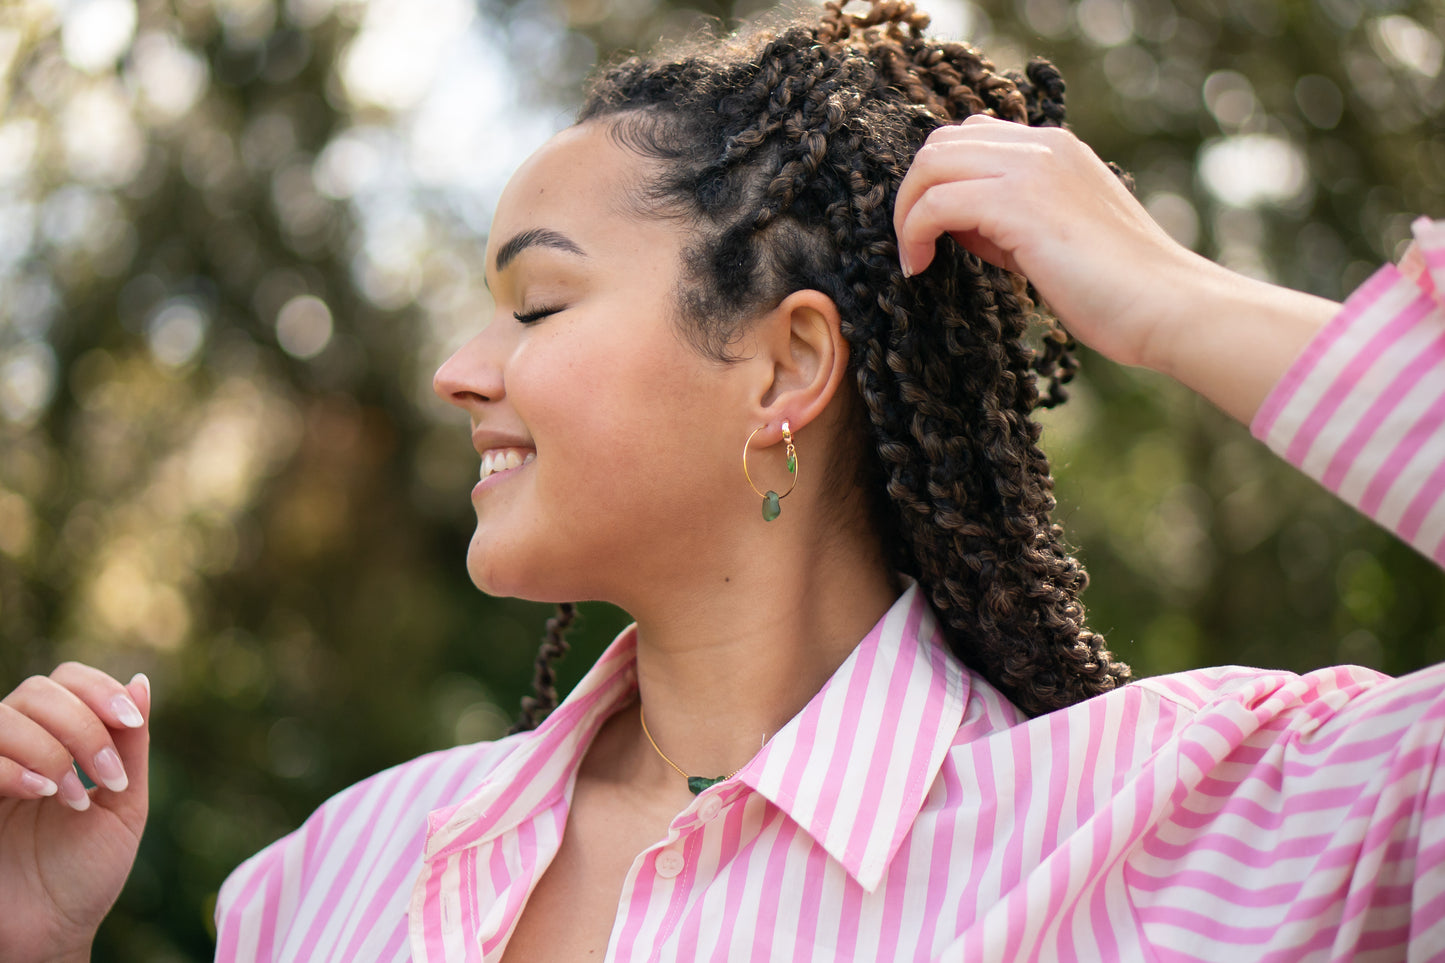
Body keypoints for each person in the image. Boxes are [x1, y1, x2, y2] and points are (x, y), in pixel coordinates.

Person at [2, 1, 1442, 959]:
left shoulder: (1173, 829)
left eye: (537, 304)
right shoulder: (337, 878)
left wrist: (1174, 302)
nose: (457, 370)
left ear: (784, 369)